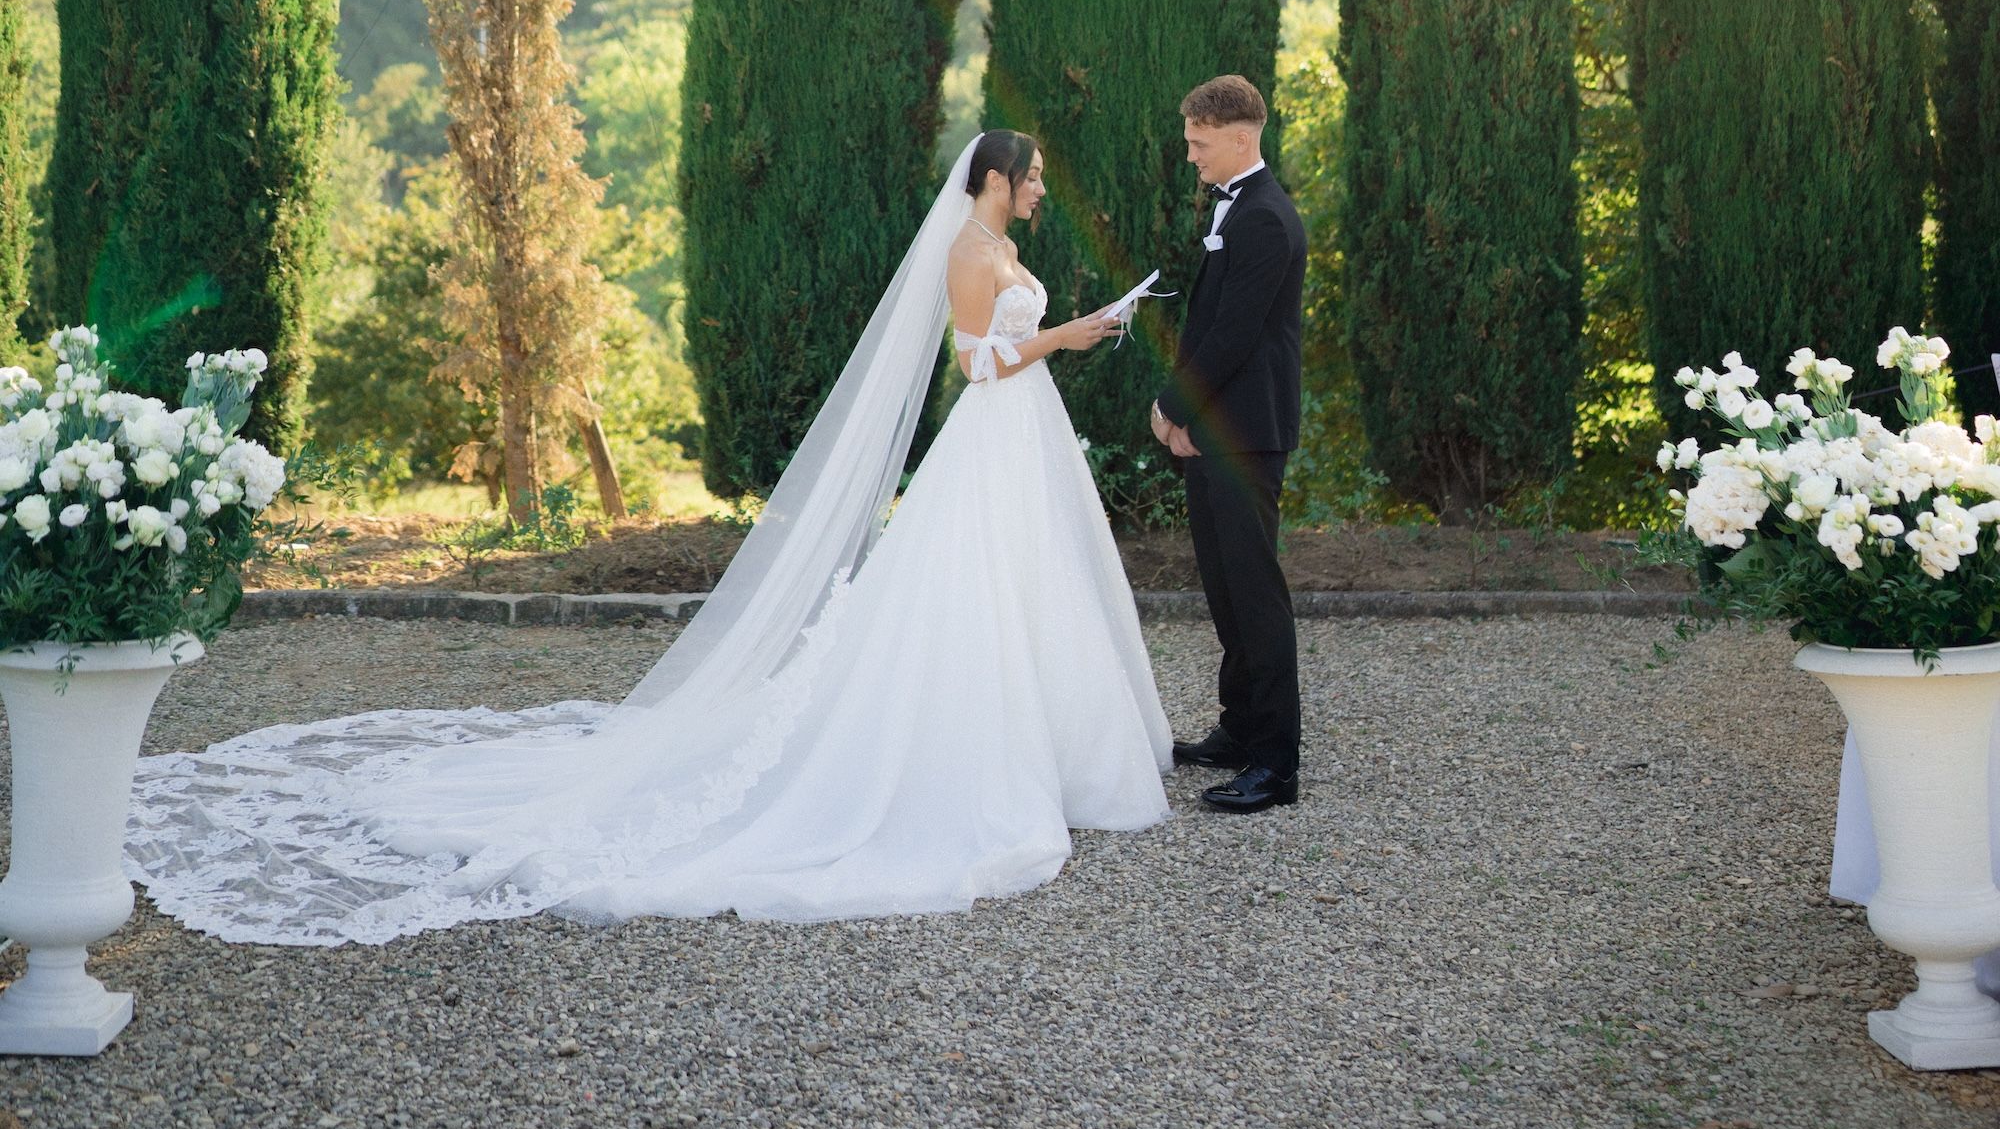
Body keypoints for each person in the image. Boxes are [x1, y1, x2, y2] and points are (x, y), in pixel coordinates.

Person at [125, 132, 1172, 940]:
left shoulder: (1002, 244)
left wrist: (1060, 334)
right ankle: (966, 762)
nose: (1040, 186)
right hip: (992, 432)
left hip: (1024, 441)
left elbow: (1005, 350)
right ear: (996, 177)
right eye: (1031, 174)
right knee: (968, 592)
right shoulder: (963, 248)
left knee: (1028, 590)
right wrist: (1068, 335)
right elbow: (976, 367)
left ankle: (1051, 749)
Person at [1152, 75, 1307, 814]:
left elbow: (1236, 335)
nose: (1190, 156)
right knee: (1223, 591)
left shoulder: (1267, 220)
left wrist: (1172, 406)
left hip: (1248, 434)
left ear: (1240, 137)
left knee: (1256, 597)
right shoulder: (1235, 210)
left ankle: (1276, 765)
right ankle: (1239, 729)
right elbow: (1207, 328)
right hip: (1217, 432)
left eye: (1199, 142)